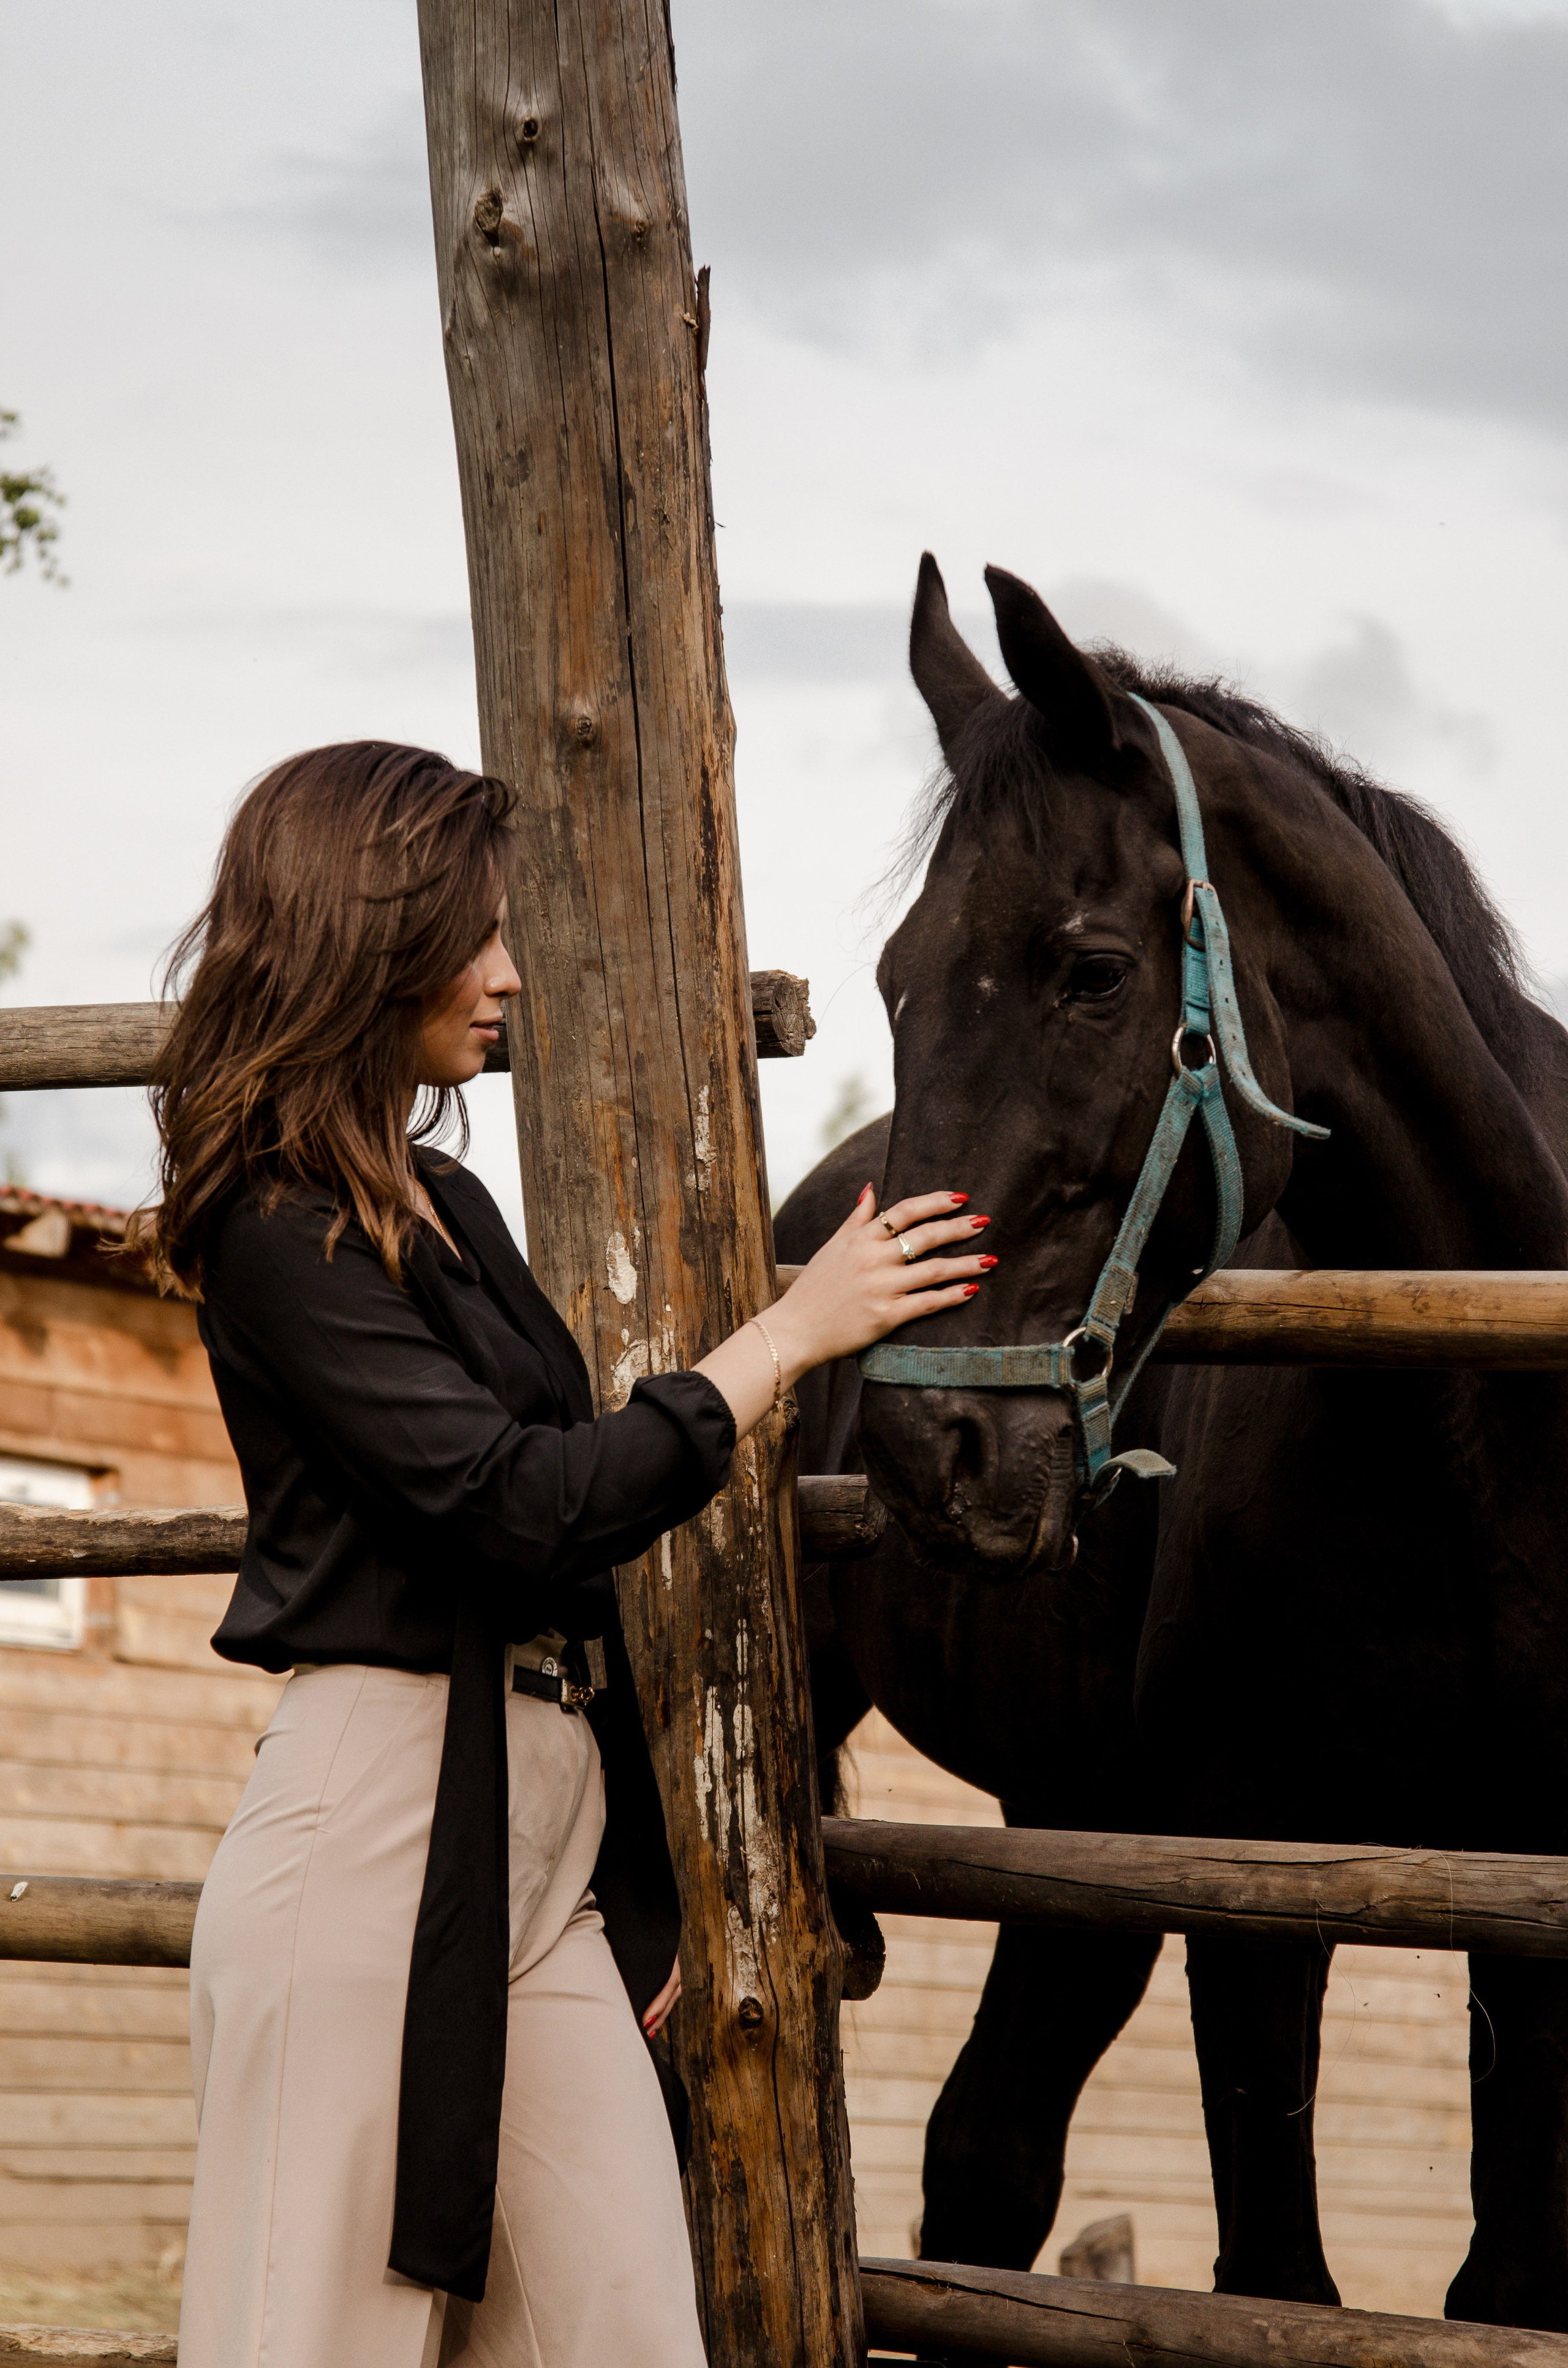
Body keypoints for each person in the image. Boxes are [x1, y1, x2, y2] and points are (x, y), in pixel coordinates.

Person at [134, 741, 993, 2368]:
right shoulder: (273, 1223)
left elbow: (569, 1581)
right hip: (374, 1828)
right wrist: (786, 1341)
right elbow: (517, 1503)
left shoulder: (440, 1198)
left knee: (620, 2335)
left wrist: (639, 1880)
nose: (509, 971)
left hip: (532, 1848)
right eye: (478, 934)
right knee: (309, 2344)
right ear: (361, 934)